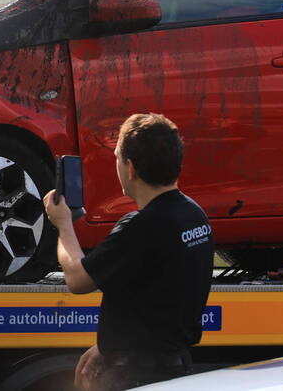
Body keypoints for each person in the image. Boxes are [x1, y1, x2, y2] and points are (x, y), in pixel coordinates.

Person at [44, 113, 214, 391]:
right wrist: (108, 346)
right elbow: (156, 295)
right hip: (173, 365)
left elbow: (77, 278)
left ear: (131, 168)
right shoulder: (194, 216)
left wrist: (63, 224)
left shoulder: (142, 225)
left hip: (135, 376)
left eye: (117, 158)